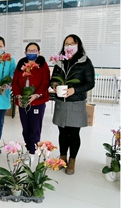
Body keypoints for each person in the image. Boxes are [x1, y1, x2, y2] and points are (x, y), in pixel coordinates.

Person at [50, 34, 95, 175]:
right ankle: (62, 157)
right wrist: (55, 85)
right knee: (62, 132)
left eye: (72, 43)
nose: (69, 46)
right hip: (61, 103)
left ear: (78, 45)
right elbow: (53, 79)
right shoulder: (60, 62)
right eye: (66, 43)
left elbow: (90, 83)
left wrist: (74, 90)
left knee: (74, 133)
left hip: (76, 102)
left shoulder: (85, 62)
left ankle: (72, 160)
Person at [12, 42, 50, 161]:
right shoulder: (21, 65)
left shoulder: (43, 65)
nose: (31, 52)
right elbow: (15, 82)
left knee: (35, 128)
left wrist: (36, 95)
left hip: (37, 101)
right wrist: (18, 95)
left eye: (34, 51)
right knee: (26, 128)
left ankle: (33, 152)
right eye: (29, 50)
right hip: (23, 101)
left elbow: (45, 82)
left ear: (39, 53)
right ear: (25, 52)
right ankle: (29, 149)